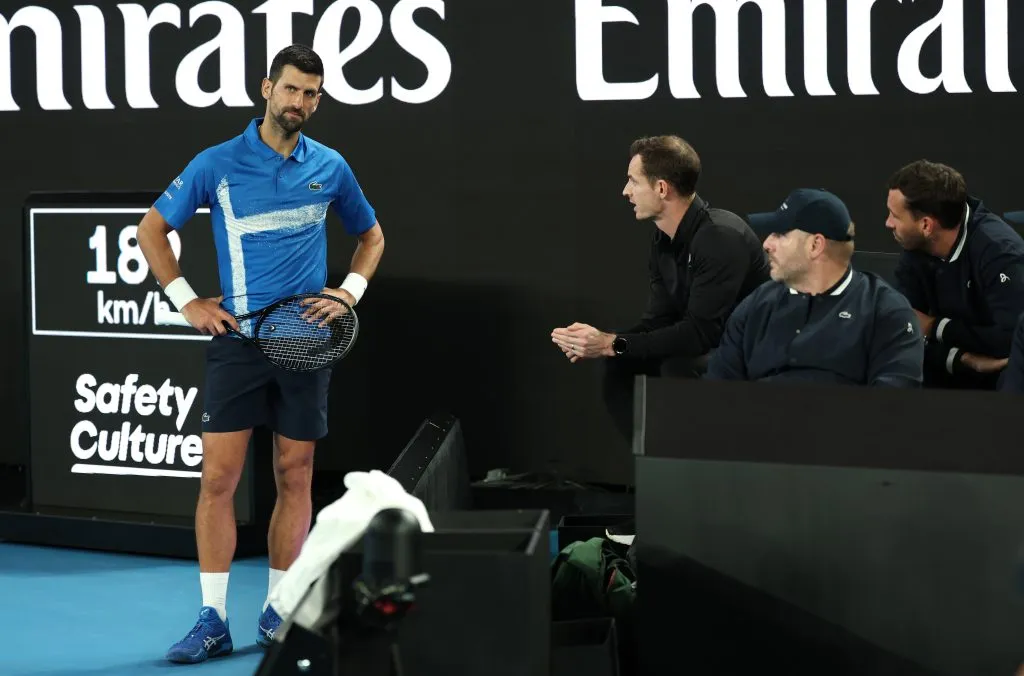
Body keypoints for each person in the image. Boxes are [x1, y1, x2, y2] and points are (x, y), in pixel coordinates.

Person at [136, 44, 385, 664]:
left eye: (312, 94)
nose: (301, 103)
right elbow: (151, 230)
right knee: (217, 481)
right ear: (266, 88)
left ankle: (279, 609)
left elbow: (371, 236)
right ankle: (213, 619)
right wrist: (189, 302)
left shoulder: (330, 165)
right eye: (292, 90)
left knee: (295, 476)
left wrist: (348, 293)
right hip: (238, 346)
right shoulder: (216, 164)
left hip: (304, 345)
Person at [551, 135, 770, 442]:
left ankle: (688, 473)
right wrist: (607, 344)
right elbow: (659, 320)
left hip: (752, 351)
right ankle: (655, 472)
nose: (625, 192)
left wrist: (612, 343)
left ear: (662, 188)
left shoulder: (719, 238)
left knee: (677, 368)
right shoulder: (664, 238)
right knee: (621, 367)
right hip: (710, 343)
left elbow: (700, 334)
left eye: (632, 181)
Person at [705, 188, 923, 387]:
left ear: (815, 245)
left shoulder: (886, 311)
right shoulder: (755, 307)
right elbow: (719, 393)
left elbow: (894, 406)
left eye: (779, 234)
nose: (766, 244)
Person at [885, 159, 1024, 389]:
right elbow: (898, 328)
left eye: (894, 215)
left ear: (926, 225)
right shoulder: (916, 247)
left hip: (1000, 376)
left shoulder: (999, 252)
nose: (888, 223)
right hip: (950, 365)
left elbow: (1011, 340)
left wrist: (935, 327)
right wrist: (961, 359)